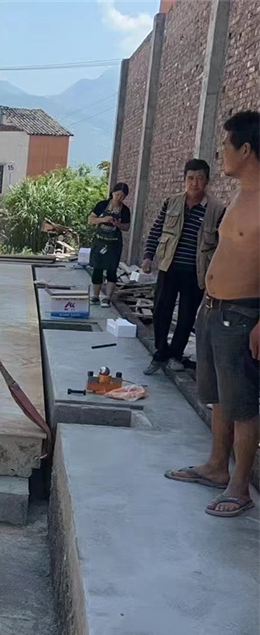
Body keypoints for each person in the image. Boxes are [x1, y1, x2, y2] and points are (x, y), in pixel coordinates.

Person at [165, 110, 260, 518]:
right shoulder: (240, 194)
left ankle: (240, 487)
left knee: (242, 404)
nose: (221, 153)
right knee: (219, 398)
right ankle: (217, 466)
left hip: (242, 315)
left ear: (246, 149)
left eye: (225, 145)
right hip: (213, 309)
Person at [141, 159, 226, 375]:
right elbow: (157, 229)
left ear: (207, 181)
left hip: (195, 272)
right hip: (169, 267)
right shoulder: (171, 202)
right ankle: (161, 352)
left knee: (187, 316)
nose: (194, 183)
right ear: (184, 180)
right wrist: (148, 256)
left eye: (199, 178)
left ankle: (175, 355)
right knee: (161, 310)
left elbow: (221, 244)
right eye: (190, 178)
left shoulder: (217, 210)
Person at [87, 183, 131, 307]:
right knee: (97, 268)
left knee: (112, 270)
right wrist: (103, 219)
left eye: (122, 196)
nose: (118, 198)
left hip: (114, 243)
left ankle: (107, 298)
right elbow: (90, 220)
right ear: (112, 193)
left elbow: (127, 227)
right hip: (99, 241)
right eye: (117, 194)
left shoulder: (125, 210)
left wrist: (118, 224)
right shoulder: (102, 205)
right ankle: (95, 296)